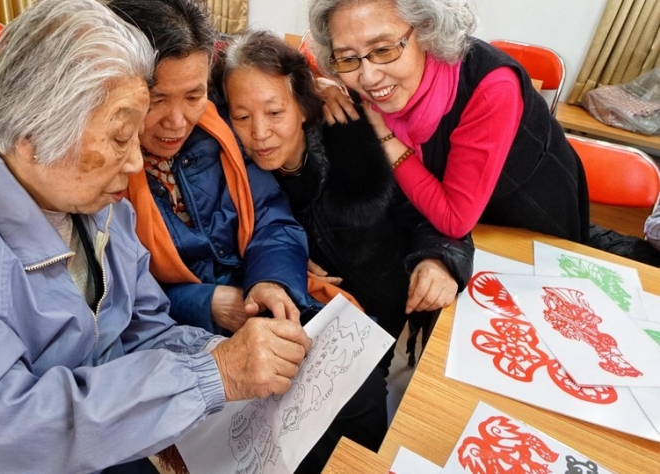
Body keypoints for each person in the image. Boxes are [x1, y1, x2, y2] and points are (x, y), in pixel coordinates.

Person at [0, 1, 315, 472]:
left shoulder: (99, 207)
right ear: (33, 133)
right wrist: (211, 375)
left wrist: (227, 357)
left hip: (91, 429)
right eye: (120, 136)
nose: (135, 161)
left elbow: (144, 330)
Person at [108, 0, 389, 472]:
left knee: (357, 393)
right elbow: (115, 298)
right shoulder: (104, 169)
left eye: (193, 96)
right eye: (156, 100)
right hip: (180, 336)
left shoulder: (221, 132)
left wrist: (272, 283)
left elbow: (272, 219)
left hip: (260, 302)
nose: (177, 121)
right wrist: (206, 302)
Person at [214, 29, 474, 363]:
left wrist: (438, 260)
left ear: (304, 106)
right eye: (242, 117)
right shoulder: (235, 170)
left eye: (275, 112)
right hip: (314, 316)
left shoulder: (359, 135)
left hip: (388, 305)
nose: (260, 133)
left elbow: (439, 213)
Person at [307, 0, 590, 243]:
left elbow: (455, 220)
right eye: (347, 58)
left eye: (383, 50)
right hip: (439, 226)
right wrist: (317, 87)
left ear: (427, 30)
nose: (369, 77)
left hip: (523, 222)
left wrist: (385, 135)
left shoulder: (491, 88)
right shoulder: (365, 77)